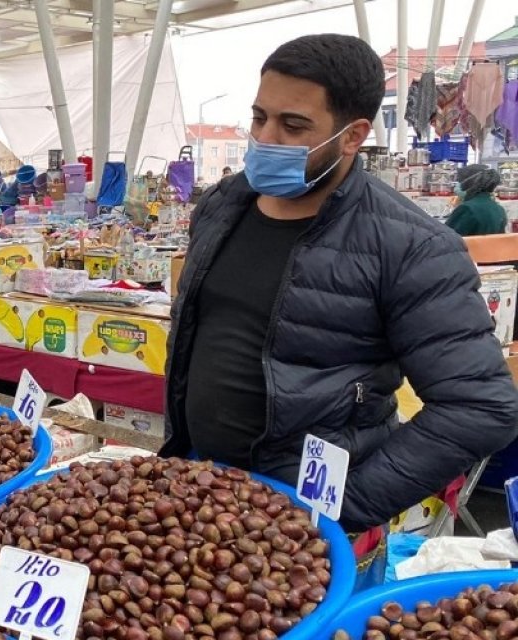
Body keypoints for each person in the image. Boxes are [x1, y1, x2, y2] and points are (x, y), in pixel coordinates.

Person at [164, 34, 518, 590]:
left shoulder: (410, 246)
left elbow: (481, 405)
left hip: (310, 532)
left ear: (353, 136)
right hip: (200, 492)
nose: (265, 138)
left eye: (292, 125)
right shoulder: (223, 204)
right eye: (258, 117)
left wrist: (347, 504)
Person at [446, 164, 508, 237]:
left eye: (460, 180)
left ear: (469, 183)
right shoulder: (499, 209)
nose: (458, 184)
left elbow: (447, 237)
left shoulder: (467, 208)